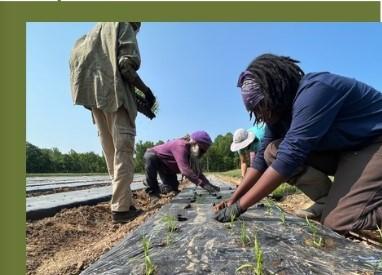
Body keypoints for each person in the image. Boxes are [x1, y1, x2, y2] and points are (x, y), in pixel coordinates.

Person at [214, 53, 382, 234]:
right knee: (272, 151)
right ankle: (327, 201)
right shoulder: (278, 113)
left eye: (261, 106)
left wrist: (240, 207)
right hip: (348, 151)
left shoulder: (315, 92)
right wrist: (233, 199)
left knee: (338, 222)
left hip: (373, 143)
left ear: (276, 90)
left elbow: (289, 158)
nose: (261, 115)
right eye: (255, 111)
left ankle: (347, 207)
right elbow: (261, 160)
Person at [69, 22, 157, 224]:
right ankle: (121, 210)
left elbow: (80, 70)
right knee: (123, 152)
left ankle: (124, 202)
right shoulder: (123, 24)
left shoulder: (90, 35)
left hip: (95, 101)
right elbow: (126, 65)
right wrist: (146, 91)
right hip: (116, 98)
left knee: (111, 155)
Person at [144, 131, 220, 197]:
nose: (202, 154)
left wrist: (208, 184)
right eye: (202, 150)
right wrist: (203, 184)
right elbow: (185, 171)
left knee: (171, 188)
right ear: (195, 145)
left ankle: (153, 184)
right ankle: (152, 191)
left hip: (167, 167)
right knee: (150, 157)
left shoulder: (192, 154)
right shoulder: (181, 146)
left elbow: (198, 172)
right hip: (155, 158)